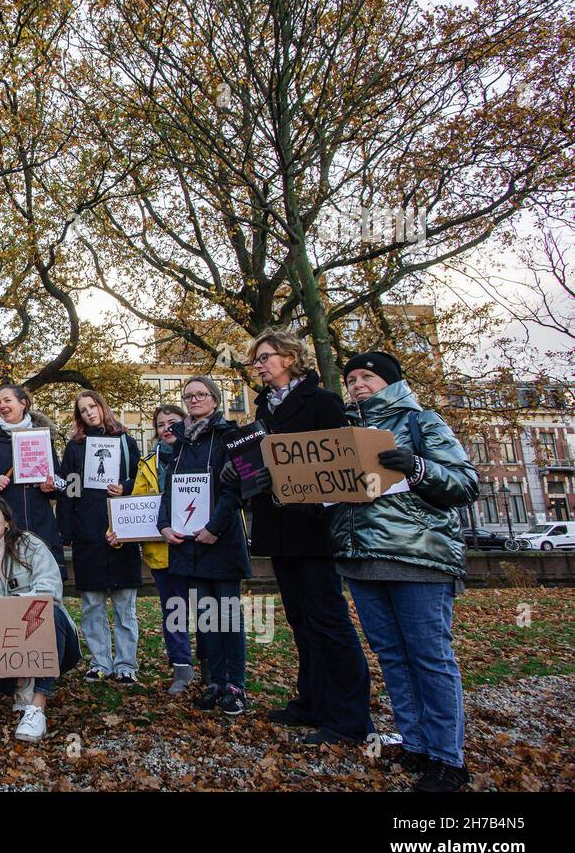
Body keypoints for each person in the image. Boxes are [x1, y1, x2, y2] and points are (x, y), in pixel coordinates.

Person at [332, 351, 478, 792]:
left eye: (367, 377)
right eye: (351, 378)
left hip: (419, 558)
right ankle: (414, 743)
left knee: (430, 658)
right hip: (363, 560)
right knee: (393, 656)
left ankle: (447, 759)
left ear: (389, 382)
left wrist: (416, 467)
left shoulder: (423, 422)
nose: (357, 384)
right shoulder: (343, 434)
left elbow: (465, 483)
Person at [241, 329, 374, 746]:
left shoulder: (322, 402)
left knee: (328, 620)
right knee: (300, 619)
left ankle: (351, 718)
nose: (258, 365)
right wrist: (244, 474)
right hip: (278, 528)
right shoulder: (263, 408)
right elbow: (259, 461)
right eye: (255, 360)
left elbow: (341, 462)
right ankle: (313, 700)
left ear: (289, 357)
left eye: (265, 357)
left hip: (313, 529)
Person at [155, 377, 251, 716]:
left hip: (220, 541)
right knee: (206, 617)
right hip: (187, 543)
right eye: (188, 396)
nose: (194, 400)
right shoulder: (178, 443)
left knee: (227, 615)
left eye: (201, 394)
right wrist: (163, 524)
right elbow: (169, 489)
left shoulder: (231, 437)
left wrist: (215, 527)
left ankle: (235, 685)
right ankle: (215, 681)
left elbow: (235, 489)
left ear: (215, 399)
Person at [0, 495, 81, 743]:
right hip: (6, 657)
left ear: (6, 521)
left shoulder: (31, 546)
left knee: (50, 612)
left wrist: (4, 605)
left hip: (56, 645)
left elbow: (51, 594)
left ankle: (37, 706)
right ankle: (20, 686)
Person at [60, 391, 143, 683]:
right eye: (82, 410)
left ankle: (126, 664)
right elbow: (69, 489)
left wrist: (126, 487)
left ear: (101, 407)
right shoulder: (74, 447)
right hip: (88, 535)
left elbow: (141, 479)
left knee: (124, 605)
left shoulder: (125, 440)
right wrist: (67, 529)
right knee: (92, 604)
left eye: (92, 406)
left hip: (121, 531)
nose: (88, 413)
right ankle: (100, 662)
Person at [0, 384, 66, 577]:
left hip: (41, 524)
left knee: (45, 585)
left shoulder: (42, 436)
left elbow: (60, 480)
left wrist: (50, 486)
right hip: (6, 527)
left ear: (23, 404)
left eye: (7, 400)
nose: (2, 406)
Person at [129, 404, 196, 693]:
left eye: (173, 421)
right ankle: (182, 669)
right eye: (160, 424)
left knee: (209, 609)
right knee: (174, 611)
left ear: (186, 423)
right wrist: (117, 530)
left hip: (199, 546)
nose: (166, 428)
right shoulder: (147, 463)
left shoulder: (199, 455)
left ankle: (213, 666)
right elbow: (135, 504)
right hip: (162, 549)